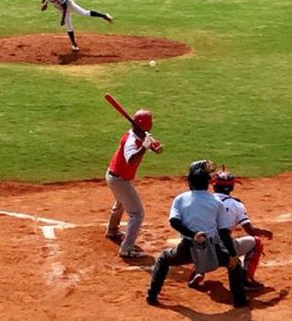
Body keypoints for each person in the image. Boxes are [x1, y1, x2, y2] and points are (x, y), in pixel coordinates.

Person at [147, 160, 249, 308]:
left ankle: (151, 296)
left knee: (163, 258)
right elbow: (224, 232)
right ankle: (240, 300)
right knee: (235, 265)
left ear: (189, 182)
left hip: (187, 248)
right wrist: (232, 254)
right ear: (208, 183)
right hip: (213, 250)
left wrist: (192, 234)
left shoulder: (180, 199)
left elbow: (174, 222)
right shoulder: (216, 202)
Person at [187, 169, 274, 291]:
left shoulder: (203, 201)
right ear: (232, 187)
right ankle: (246, 280)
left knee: (198, 240)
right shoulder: (236, 204)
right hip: (225, 246)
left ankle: (198, 272)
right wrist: (264, 232)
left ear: (214, 185)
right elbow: (250, 231)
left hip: (202, 244)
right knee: (256, 242)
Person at [105, 109, 162, 258]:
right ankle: (127, 248)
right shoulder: (132, 140)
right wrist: (144, 147)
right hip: (119, 180)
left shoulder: (139, 133)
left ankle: (112, 230)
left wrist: (153, 147)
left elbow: (147, 140)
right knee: (137, 214)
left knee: (120, 203)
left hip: (115, 177)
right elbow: (131, 159)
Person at [40, 0, 113, 52]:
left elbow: (65, 7)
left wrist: (63, 19)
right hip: (62, 10)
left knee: (84, 13)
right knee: (69, 26)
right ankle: (74, 44)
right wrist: (43, 5)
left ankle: (104, 15)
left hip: (69, 5)